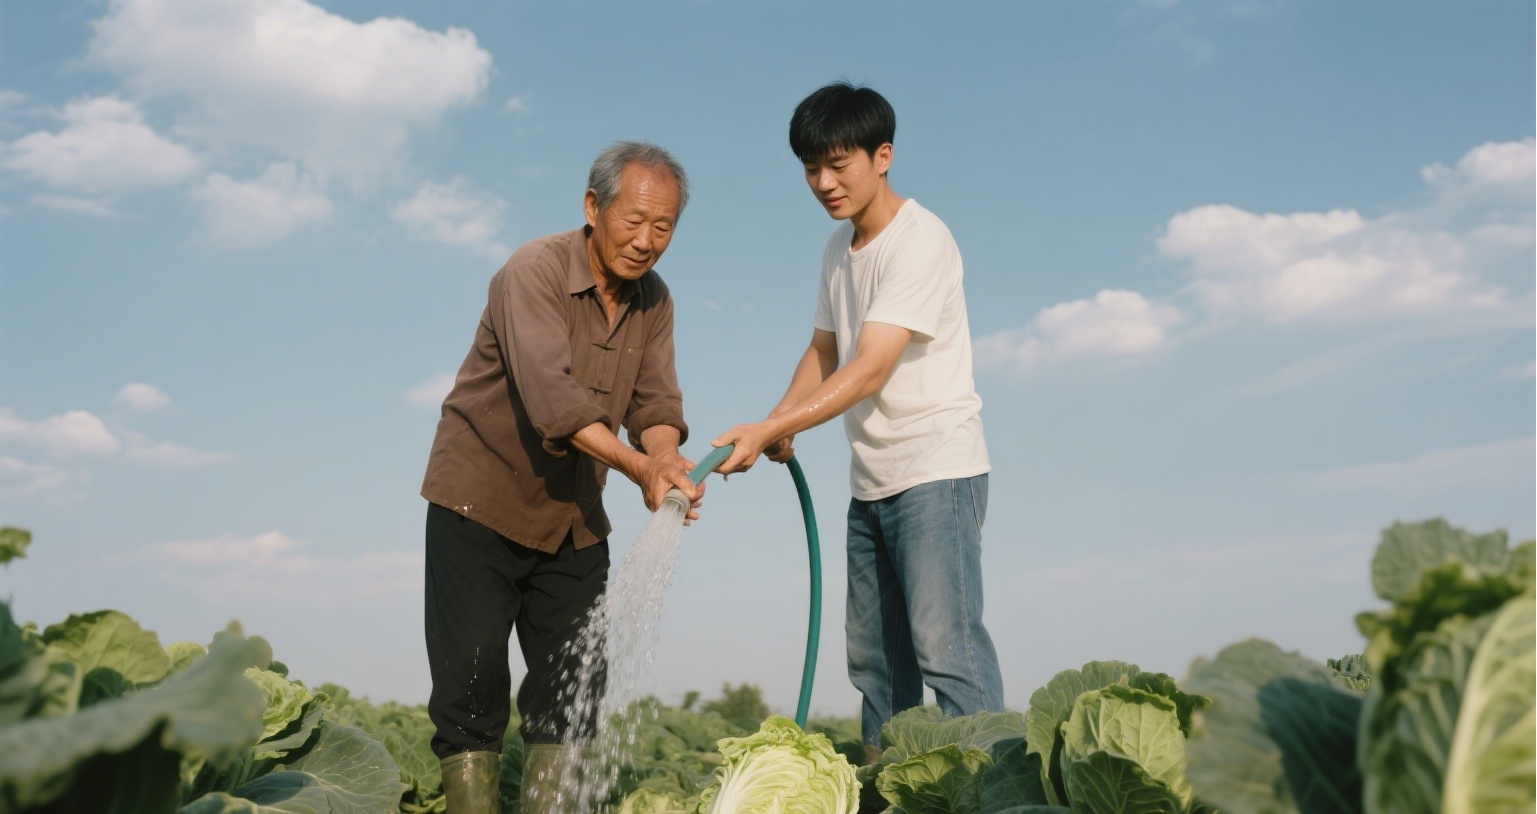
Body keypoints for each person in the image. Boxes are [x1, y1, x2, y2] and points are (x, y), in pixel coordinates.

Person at [712, 82, 1004, 759]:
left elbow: (869, 366)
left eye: (837, 165)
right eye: (810, 168)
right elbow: (824, 352)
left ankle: (997, 790)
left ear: (882, 156)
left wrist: (767, 431)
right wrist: (776, 419)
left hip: (936, 471)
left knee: (947, 650)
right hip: (870, 481)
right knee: (876, 665)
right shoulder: (836, 252)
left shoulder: (919, 240)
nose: (822, 182)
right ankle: (886, 794)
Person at [420, 141, 703, 813]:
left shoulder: (653, 301)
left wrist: (662, 456)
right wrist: (639, 467)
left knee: (571, 696)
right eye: (632, 220)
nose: (645, 241)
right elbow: (556, 401)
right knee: (471, 688)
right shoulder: (533, 271)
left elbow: (656, 405)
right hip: (477, 504)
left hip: (573, 519)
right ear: (591, 207)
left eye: (662, 227)